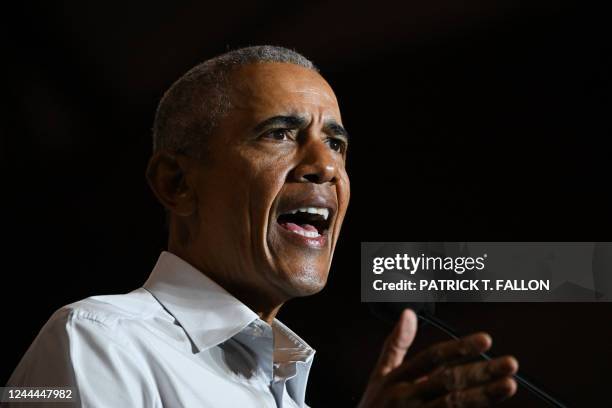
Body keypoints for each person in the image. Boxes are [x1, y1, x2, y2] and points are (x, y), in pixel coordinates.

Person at [7, 46, 518, 407]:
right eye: (280, 134)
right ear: (177, 182)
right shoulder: (99, 341)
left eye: (336, 144)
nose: (326, 166)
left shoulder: (285, 385)